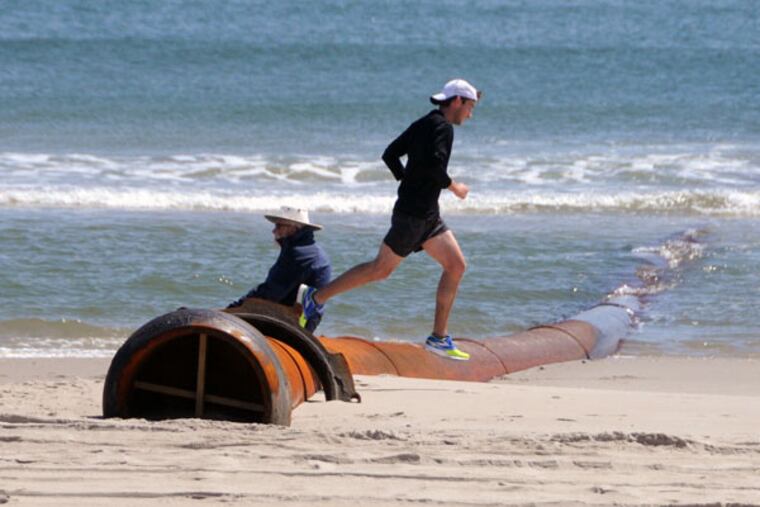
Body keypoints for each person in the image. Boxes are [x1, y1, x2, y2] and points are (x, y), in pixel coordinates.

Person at [297, 78, 480, 360]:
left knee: (456, 266)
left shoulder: (423, 123)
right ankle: (315, 298)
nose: (470, 113)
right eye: (470, 106)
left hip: (426, 215)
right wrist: (454, 186)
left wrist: (407, 180)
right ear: (457, 101)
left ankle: (438, 338)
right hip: (413, 216)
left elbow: (390, 154)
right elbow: (433, 164)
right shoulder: (442, 127)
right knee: (380, 269)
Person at [228, 207, 331, 332]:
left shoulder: (299, 254)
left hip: (296, 322)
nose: (274, 230)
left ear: (294, 228)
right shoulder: (308, 249)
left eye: (279, 225)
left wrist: (234, 309)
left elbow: (271, 293)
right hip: (303, 317)